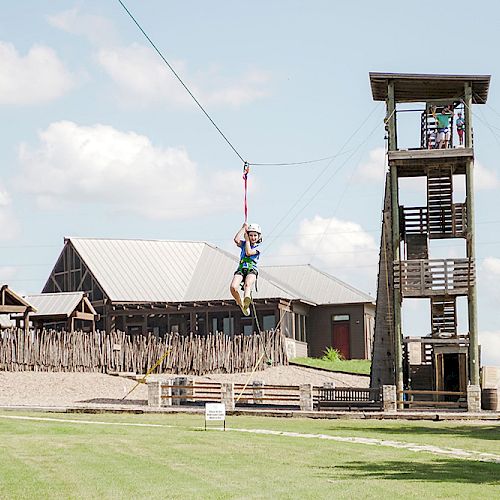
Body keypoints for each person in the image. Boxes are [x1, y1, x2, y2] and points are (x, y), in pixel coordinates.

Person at [229, 222, 262, 316]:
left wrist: (247, 240)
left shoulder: (258, 247)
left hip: (252, 269)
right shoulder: (243, 244)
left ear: (259, 237)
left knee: (247, 284)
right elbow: (236, 240)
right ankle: (241, 304)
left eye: (255, 235)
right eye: (250, 235)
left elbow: (248, 252)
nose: (253, 237)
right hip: (241, 268)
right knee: (233, 287)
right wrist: (243, 228)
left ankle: (247, 300)